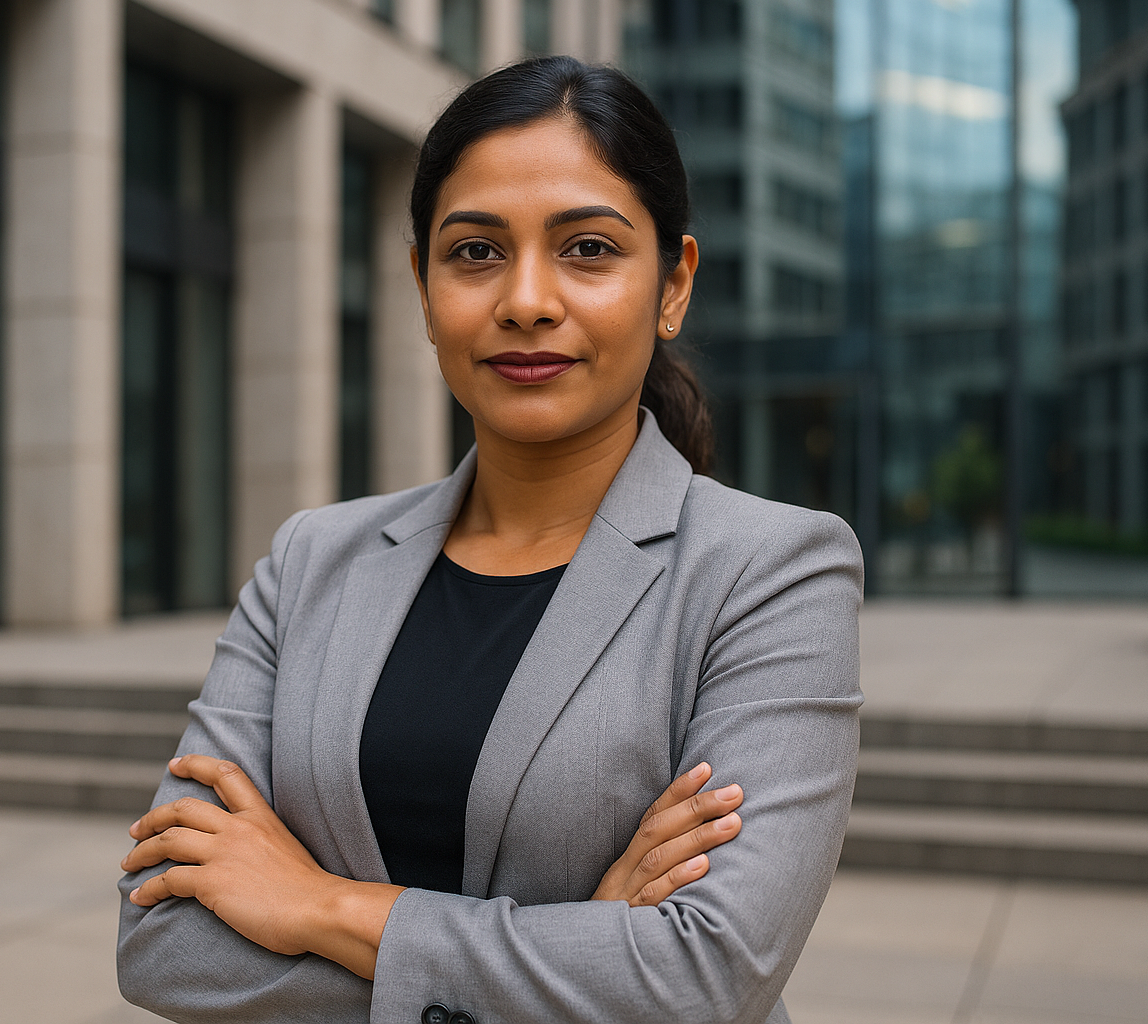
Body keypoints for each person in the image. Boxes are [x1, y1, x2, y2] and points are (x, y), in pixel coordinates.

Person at [117, 56, 862, 1024]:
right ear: (423, 286)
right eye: (475, 251)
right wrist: (582, 947)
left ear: (673, 284)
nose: (526, 300)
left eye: (588, 248)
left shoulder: (771, 571)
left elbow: (705, 977)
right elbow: (163, 943)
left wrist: (320, 905)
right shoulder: (310, 561)